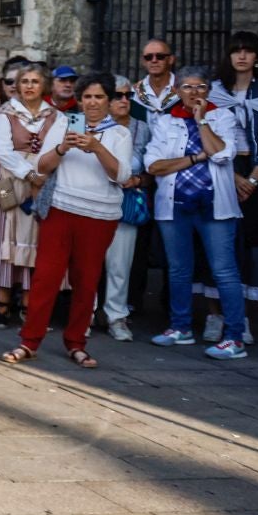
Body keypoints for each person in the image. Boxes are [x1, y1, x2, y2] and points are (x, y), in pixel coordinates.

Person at [3, 75, 133, 368]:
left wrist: (97, 148)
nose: (92, 103)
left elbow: (121, 175)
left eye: (99, 97)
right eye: (87, 97)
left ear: (109, 101)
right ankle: (29, 341)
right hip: (62, 208)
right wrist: (63, 148)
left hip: (100, 215)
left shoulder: (119, 134)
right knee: (46, 277)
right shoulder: (65, 123)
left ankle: (77, 343)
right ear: (80, 100)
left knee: (86, 281)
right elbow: (41, 166)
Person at [143, 67, 247, 358]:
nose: (194, 93)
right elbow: (154, 165)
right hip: (175, 205)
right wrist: (195, 157)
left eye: (200, 87)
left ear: (208, 91)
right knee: (178, 270)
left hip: (216, 206)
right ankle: (181, 327)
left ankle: (235, 337)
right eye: (187, 87)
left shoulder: (223, 117)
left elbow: (223, 154)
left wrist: (202, 122)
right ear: (177, 91)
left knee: (224, 271)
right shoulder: (165, 122)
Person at [210, 30, 258, 336]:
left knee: (252, 244)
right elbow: (208, 132)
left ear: (256, 57)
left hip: (256, 171)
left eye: (248, 51)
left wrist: (252, 178)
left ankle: (244, 317)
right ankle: (215, 315)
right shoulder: (214, 91)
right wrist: (233, 176)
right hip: (222, 166)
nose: (241, 56)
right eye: (236, 50)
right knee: (219, 242)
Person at [0, 65, 61, 327]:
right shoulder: (4, 114)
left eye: (35, 81)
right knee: (3, 235)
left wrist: (38, 175)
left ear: (44, 86)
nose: (29, 86)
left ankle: (30, 304)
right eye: (24, 81)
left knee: (35, 239)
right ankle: (2, 302)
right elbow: (2, 151)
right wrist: (29, 173)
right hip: (7, 178)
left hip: (41, 179)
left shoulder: (56, 117)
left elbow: (55, 150)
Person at [99, 77, 150, 342]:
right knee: (90, 264)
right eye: (118, 95)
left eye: (128, 96)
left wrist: (139, 179)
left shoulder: (142, 128)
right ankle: (86, 314)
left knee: (120, 264)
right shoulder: (94, 127)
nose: (123, 101)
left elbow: (153, 168)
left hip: (126, 201)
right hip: (95, 200)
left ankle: (117, 316)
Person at [133, 39, 179, 118]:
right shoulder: (134, 92)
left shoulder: (183, 89)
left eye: (160, 56)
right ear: (143, 62)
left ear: (171, 59)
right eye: (148, 57)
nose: (154, 60)